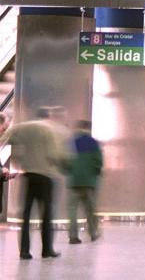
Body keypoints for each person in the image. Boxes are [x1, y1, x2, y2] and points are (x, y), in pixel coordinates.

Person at [0, 107, 67, 259]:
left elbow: (4, 140)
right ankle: (47, 249)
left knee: (26, 214)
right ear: (48, 116)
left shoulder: (21, 128)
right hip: (45, 176)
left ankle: (24, 251)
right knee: (46, 214)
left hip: (29, 175)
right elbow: (53, 154)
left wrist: (21, 161)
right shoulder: (48, 129)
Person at [66, 120, 103, 244]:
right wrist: (96, 173)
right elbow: (98, 161)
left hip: (74, 181)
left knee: (72, 210)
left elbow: (66, 161)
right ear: (88, 128)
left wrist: (70, 171)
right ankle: (93, 233)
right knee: (90, 209)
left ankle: (73, 236)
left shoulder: (71, 143)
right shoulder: (93, 142)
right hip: (89, 182)